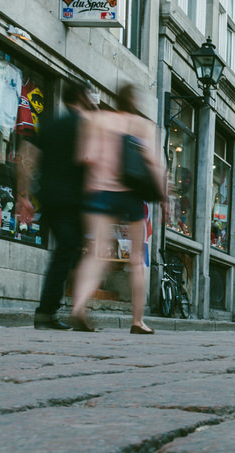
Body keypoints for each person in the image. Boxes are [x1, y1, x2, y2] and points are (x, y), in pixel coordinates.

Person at [68, 84, 167, 334]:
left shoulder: (98, 120)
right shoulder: (143, 126)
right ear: (135, 102)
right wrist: (164, 199)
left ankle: (79, 307)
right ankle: (137, 321)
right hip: (131, 196)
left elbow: (84, 158)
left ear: (115, 99)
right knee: (136, 259)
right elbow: (155, 166)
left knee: (94, 253)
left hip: (99, 192)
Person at [16, 81, 95, 331]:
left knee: (64, 254)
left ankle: (54, 310)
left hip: (48, 198)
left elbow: (24, 159)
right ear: (82, 96)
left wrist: (23, 196)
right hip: (73, 201)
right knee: (69, 255)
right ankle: (55, 311)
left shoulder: (50, 124)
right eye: (91, 95)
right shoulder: (84, 126)